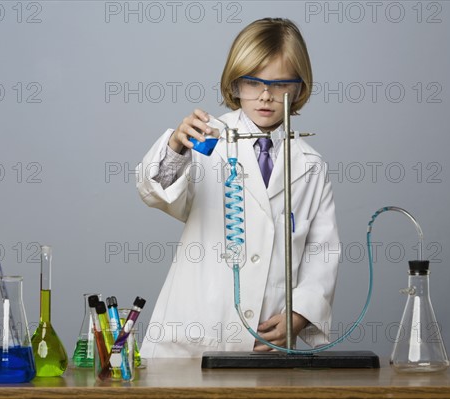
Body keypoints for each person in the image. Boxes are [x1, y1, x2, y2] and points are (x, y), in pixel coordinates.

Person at [136, 18, 340, 358]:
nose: (265, 95)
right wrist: (176, 147)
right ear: (234, 83)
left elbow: (323, 252)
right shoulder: (204, 139)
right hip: (191, 337)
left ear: (300, 88)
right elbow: (156, 193)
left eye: (280, 84)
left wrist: (300, 313)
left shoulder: (310, 165)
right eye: (252, 82)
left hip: (265, 340)